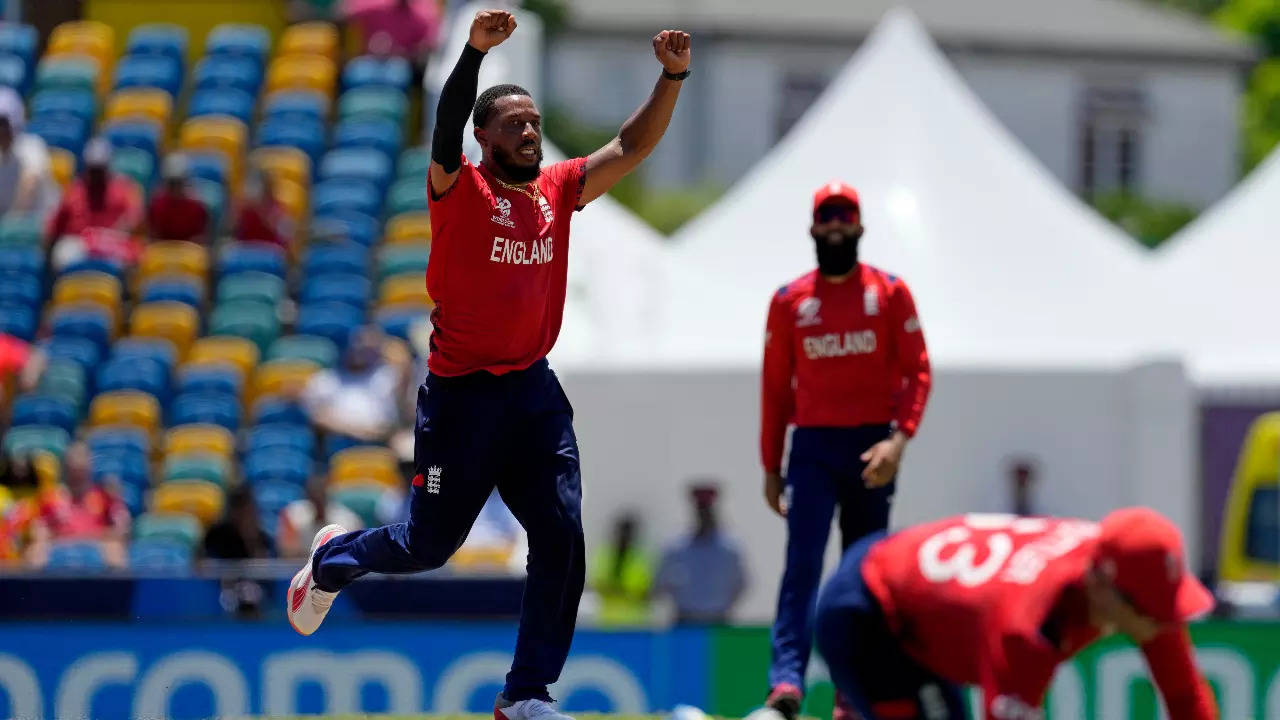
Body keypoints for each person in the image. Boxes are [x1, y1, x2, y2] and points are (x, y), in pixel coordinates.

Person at [287, 10, 692, 718]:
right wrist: (474, 53)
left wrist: (673, 76)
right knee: (427, 545)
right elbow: (444, 128)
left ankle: (525, 695)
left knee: (562, 536)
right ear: (485, 138)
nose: (529, 131)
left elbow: (629, 146)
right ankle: (331, 562)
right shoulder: (460, 191)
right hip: (462, 397)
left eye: (533, 122)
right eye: (513, 124)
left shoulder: (558, 190)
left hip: (533, 391)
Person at [760, 181, 932, 718]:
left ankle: (852, 694)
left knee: (866, 577)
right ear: (813, 228)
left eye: (845, 218)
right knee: (803, 566)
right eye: (826, 218)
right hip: (811, 449)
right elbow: (774, 387)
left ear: (859, 227)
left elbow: (918, 372)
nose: (835, 227)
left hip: (870, 449)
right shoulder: (791, 301)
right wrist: (771, 464)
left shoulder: (890, 292)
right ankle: (787, 682)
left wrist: (897, 441)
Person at [813, 509, 1218, 719]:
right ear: (1100, 587)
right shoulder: (1027, 631)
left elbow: (1184, 697)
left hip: (919, 593)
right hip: (869, 613)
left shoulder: (1134, 585)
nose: (1165, 622)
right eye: (1152, 610)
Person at [299, 325, 414, 454]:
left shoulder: (387, 375)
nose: (359, 350)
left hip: (383, 443)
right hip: (341, 445)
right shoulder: (325, 380)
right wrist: (356, 431)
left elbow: (404, 366)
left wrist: (381, 343)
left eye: (363, 346)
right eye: (355, 343)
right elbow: (317, 418)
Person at [23, 442, 131, 568]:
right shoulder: (50, 498)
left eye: (81, 469)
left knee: (116, 551)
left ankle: (117, 587)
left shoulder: (105, 495)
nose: (77, 475)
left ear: (89, 468)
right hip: (59, 544)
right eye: (73, 469)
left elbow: (121, 530)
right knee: (35, 553)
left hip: (98, 545)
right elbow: (38, 531)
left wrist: (86, 538)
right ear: (66, 468)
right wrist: (55, 538)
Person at [654, 483, 747, 624]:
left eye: (707, 510)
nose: (704, 515)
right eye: (701, 511)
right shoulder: (676, 547)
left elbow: (741, 584)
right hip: (685, 620)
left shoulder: (729, 548)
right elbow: (661, 583)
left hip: (718, 619)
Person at [45, 137, 143, 243]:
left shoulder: (123, 188)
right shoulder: (75, 191)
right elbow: (55, 226)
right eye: (93, 170)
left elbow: (136, 218)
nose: (96, 175)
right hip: (79, 245)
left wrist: (121, 230)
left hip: (113, 245)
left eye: (99, 170)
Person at [587, 513, 654, 625]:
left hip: (633, 623)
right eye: (622, 532)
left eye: (627, 533)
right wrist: (625, 592)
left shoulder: (641, 559)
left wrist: (615, 589)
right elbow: (597, 585)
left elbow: (644, 593)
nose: (624, 536)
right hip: (607, 621)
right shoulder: (604, 555)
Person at [0, 87, 57, 220]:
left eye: (3, 124)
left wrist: (11, 223)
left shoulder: (31, 146)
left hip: (38, 224)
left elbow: (29, 185)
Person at [276, 476, 364, 558]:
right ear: (309, 497)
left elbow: (351, 554)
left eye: (321, 496)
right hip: (301, 567)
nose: (318, 499)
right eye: (315, 496)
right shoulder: (292, 514)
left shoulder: (347, 519)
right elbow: (288, 553)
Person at [146, 153, 209, 242]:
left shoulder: (197, 206)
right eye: (172, 183)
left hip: (188, 252)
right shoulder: (157, 204)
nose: (175, 188)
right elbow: (154, 236)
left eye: (179, 183)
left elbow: (199, 239)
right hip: (163, 250)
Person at [233, 168, 292, 251]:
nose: (250, 189)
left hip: (270, 255)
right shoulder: (243, 209)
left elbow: (286, 239)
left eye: (255, 185)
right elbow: (235, 235)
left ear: (266, 187)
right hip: (246, 254)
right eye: (249, 185)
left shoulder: (277, 209)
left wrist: (266, 217)